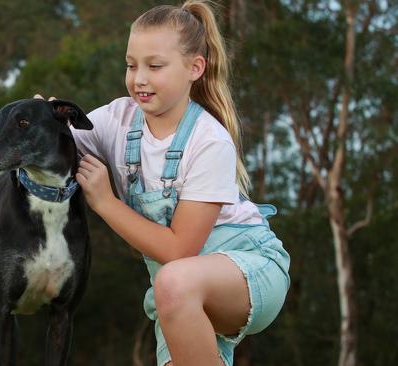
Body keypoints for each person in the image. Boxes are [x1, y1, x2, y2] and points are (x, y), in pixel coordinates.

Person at [37, 1, 290, 365]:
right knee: (171, 288)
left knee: (171, 281)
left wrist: (106, 202)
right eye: (131, 64)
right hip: (177, 296)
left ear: (195, 68)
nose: (139, 77)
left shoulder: (209, 141)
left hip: (247, 270)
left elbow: (179, 251)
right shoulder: (115, 120)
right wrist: (40, 122)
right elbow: (56, 146)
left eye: (155, 66)